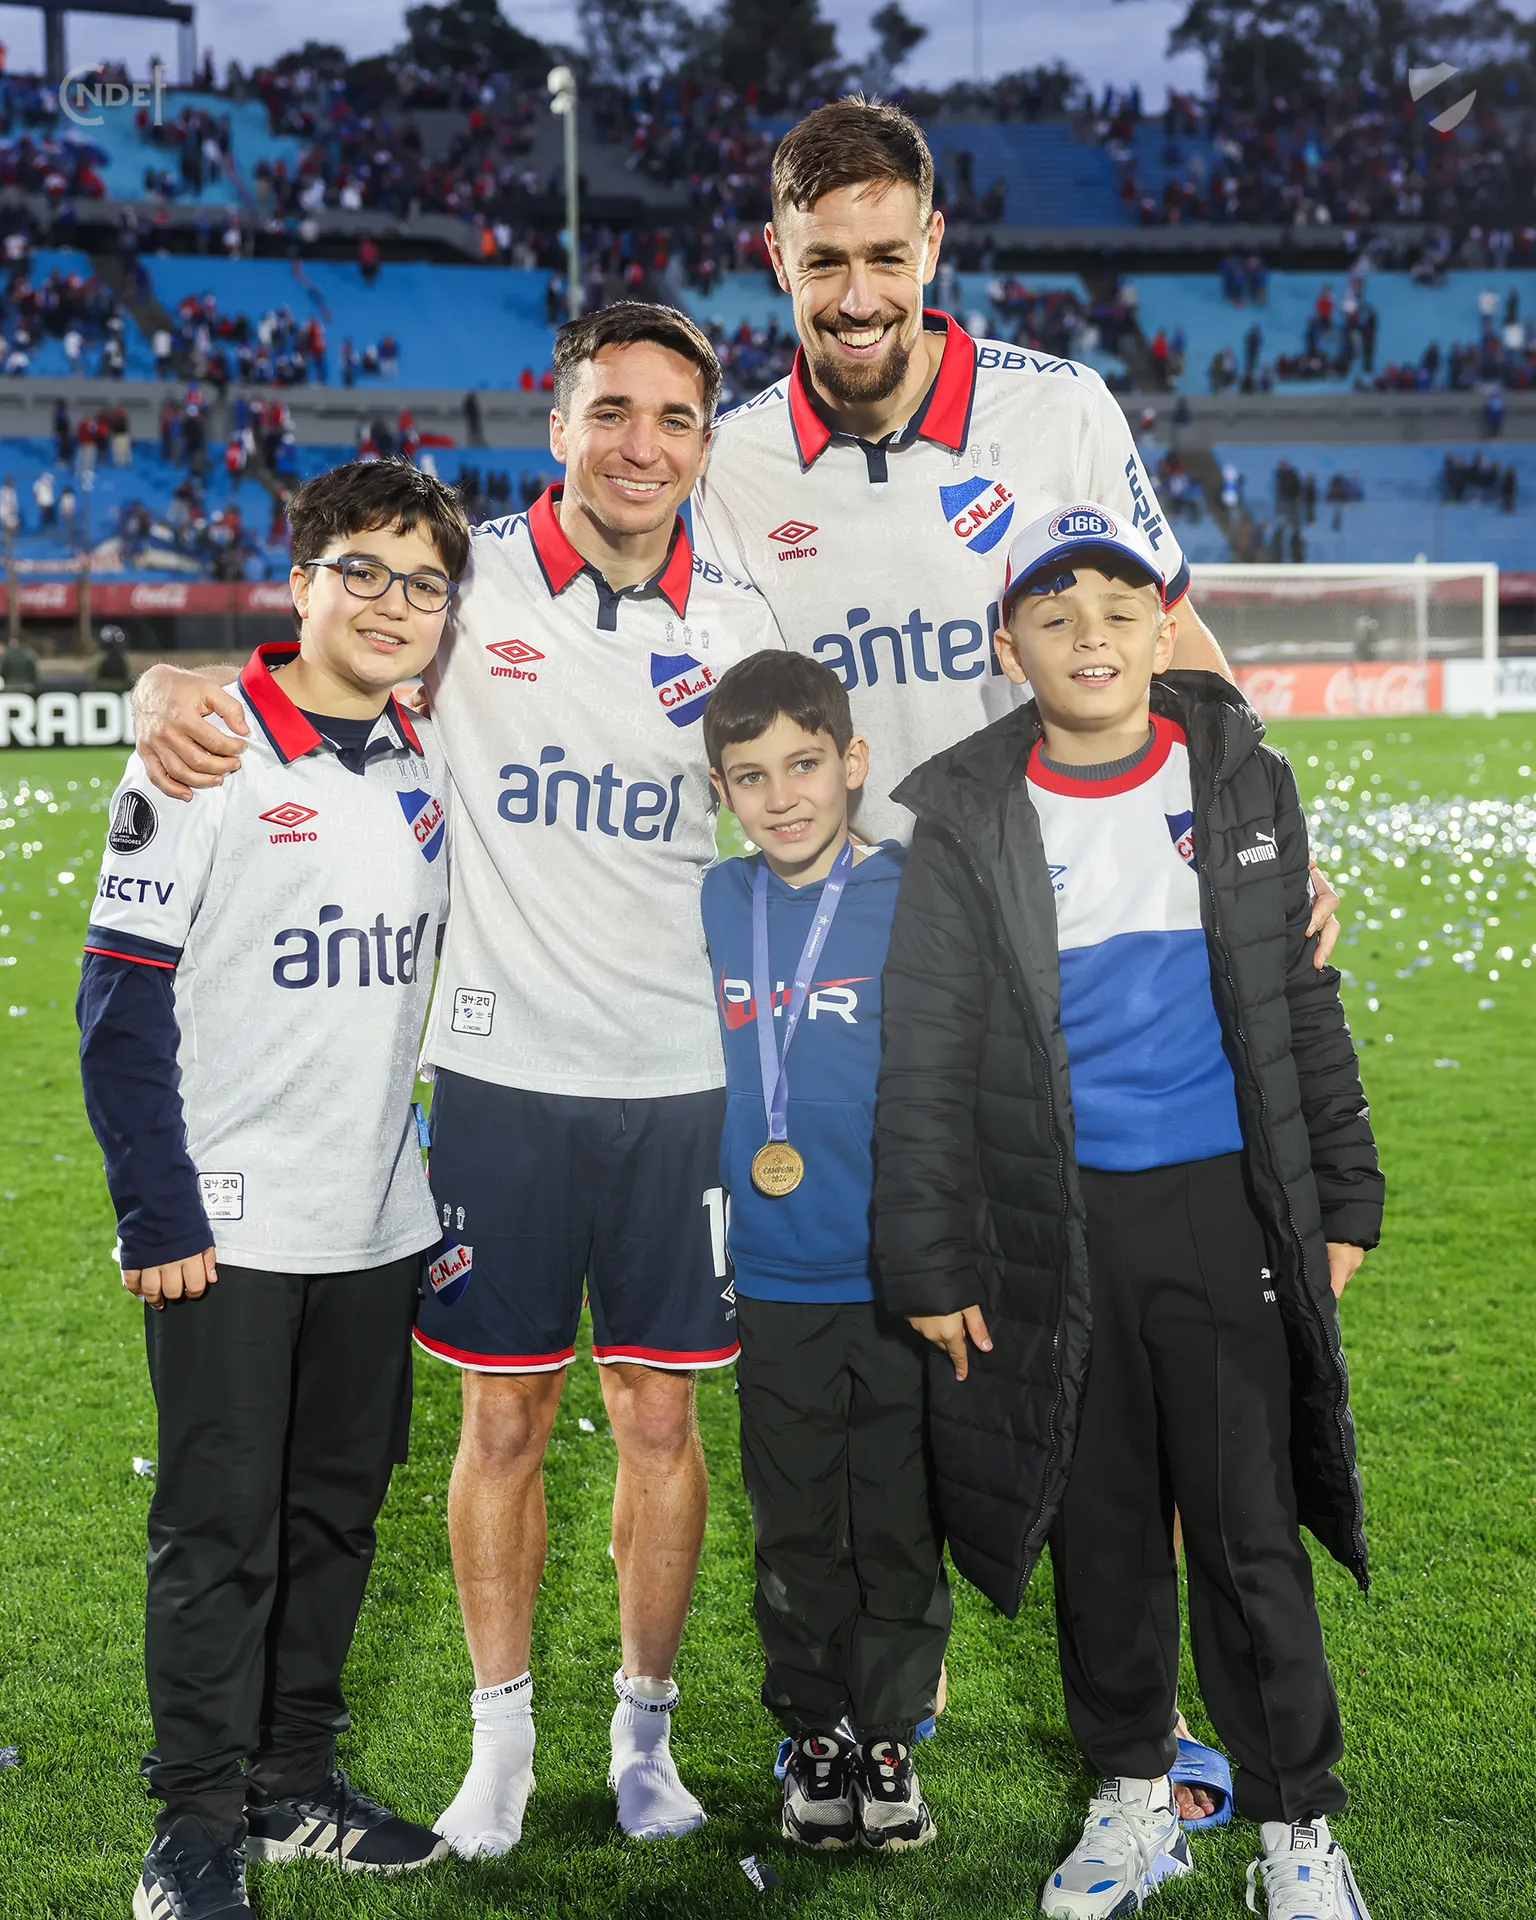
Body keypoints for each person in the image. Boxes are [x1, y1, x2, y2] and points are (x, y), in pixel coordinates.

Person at [123, 302, 782, 1857]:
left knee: (661, 1424)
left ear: (705, 442)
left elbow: (831, 795)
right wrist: (170, 682)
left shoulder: (744, 612)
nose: (639, 446)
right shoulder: (468, 579)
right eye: (609, 411)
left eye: (673, 419)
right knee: (501, 1424)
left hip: (684, 1083)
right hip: (495, 1077)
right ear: (559, 426)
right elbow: (326, 645)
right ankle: (499, 1750)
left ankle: (644, 1740)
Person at [872, 502, 1384, 1920]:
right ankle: (1132, 1793)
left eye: (1116, 611)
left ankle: (1295, 1822)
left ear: (1166, 630)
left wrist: (1343, 1195)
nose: (1087, 637)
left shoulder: (1242, 781)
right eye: (1054, 617)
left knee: (1244, 1524)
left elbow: (1298, 1002)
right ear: (1008, 648)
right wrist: (929, 1255)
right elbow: (925, 1051)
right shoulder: (967, 815)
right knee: (1097, 1525)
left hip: (1223, 1216)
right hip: (1056, 1227)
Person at [77, 458, 469, 1919]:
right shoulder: (205, 751)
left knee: (334, 1518)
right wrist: (157, 1208)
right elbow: (118, 1003)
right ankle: (191, 1824)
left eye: (423, 582)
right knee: (218, 1529)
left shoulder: (427, 758)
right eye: (362, 569)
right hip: (226, 1228)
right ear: (300, 582)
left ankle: (292, 1781)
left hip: (376, 1223)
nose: (393, 603)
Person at [700, 650, 948, 1855]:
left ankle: (890, 1737)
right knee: (794, 1524)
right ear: (721, 791)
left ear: (853, 762)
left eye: (804, 765)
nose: (782, 796)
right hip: (774, 1275)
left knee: (899, 1519)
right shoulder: (715, 901)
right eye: (750, 777)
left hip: (899, 1279)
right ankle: (814, 1735)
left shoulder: (913, 892)